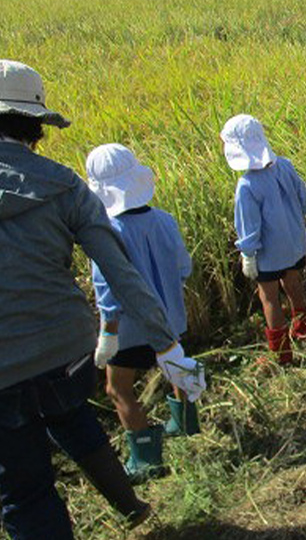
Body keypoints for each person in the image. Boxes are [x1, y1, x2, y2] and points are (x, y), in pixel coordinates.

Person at [0, 59, 205, 539]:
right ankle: (131, 504)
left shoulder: (72, 186)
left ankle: (128, 500)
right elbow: (123, 273)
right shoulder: (62, 184)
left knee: (27, 492)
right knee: (71, 418)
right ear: (35, 124)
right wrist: (168, 346)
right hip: (64, 349)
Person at [86, 143, 200, 484]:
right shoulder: (164, 220)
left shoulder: (105, 234)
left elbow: (107, 291)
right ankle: (186, 423)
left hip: (130, 330)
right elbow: (184, 267)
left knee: (117, 387)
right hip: (169, 320)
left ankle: (147, 459)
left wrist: (108, 333)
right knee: (176, 367)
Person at [221, 114, 306, 367]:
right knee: (294, 285)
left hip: (269, 254)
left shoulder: (247, 185)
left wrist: (248, 255)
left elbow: (248, 226)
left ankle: (281, 354)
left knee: (269, 298)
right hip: (295, 243)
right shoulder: (284, 165)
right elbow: (303, 198)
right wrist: (304, 210)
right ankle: (303, 330)